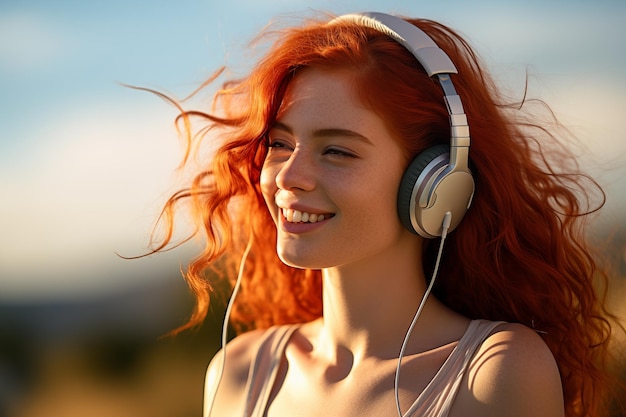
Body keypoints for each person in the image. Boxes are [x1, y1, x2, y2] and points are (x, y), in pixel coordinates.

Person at [143, 11, 623, 417]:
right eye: (279, 143)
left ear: (436, 184)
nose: (288, 176)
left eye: (337, 151)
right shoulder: (238, 372)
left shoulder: (495, 370)